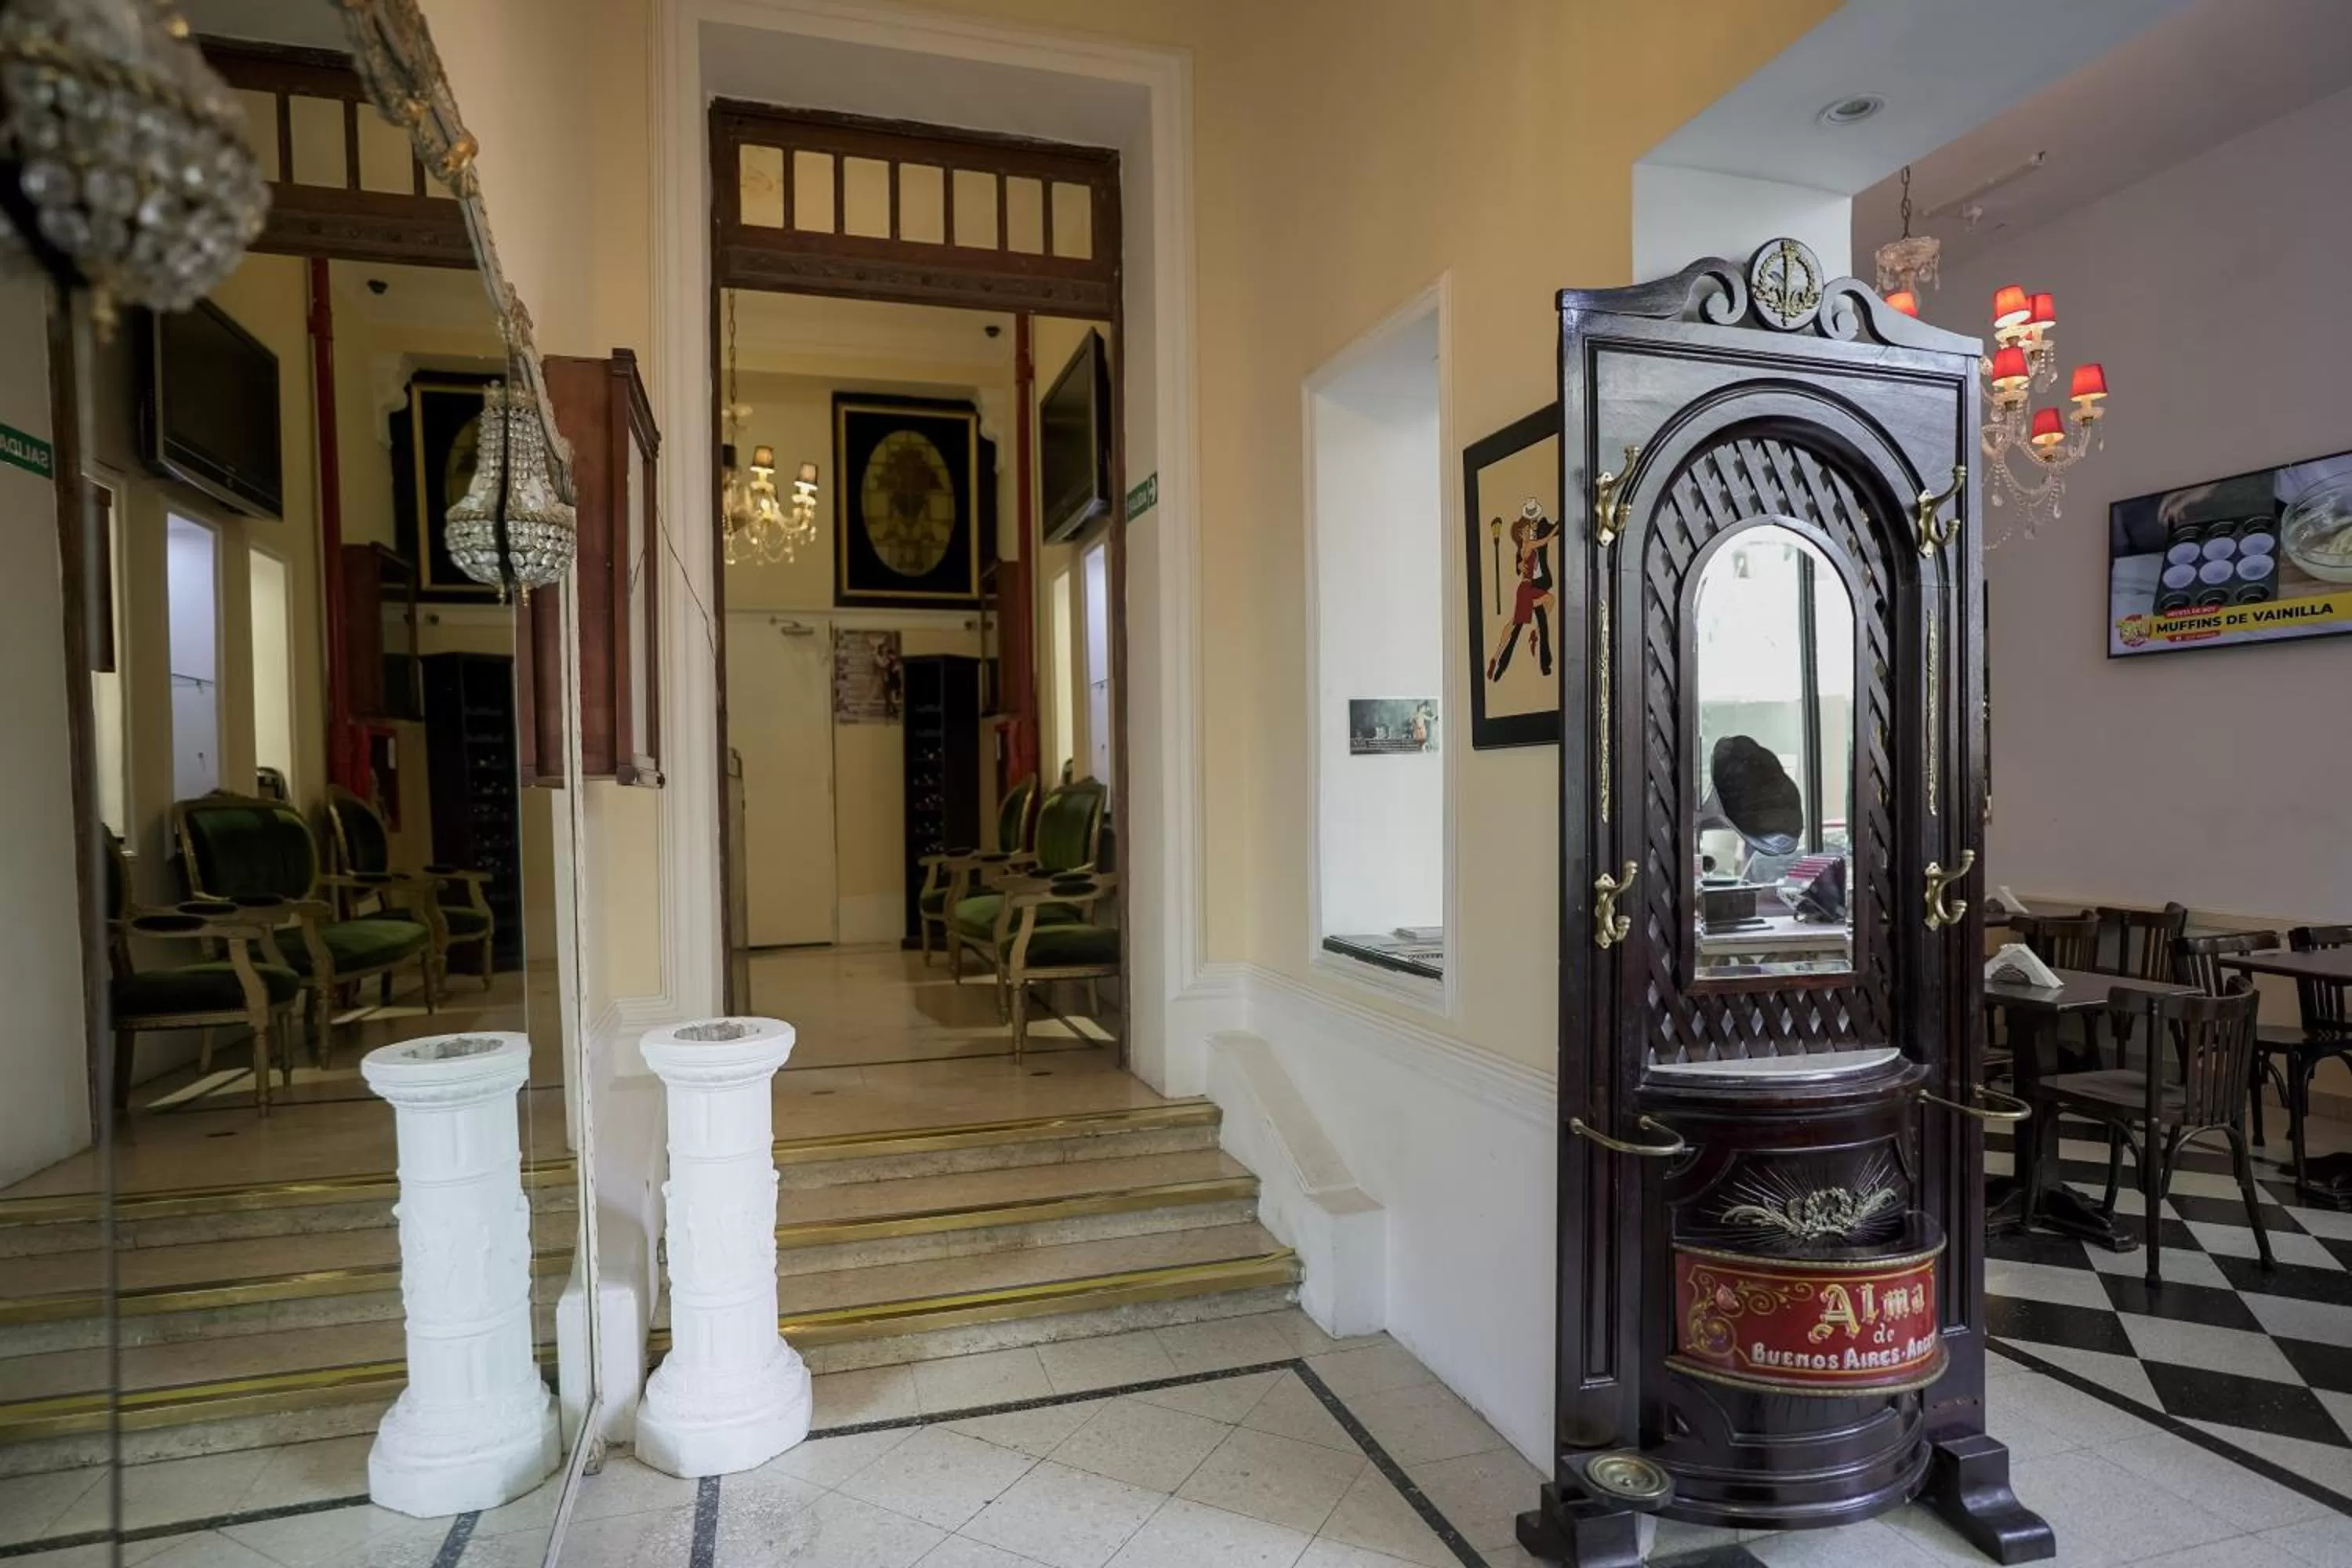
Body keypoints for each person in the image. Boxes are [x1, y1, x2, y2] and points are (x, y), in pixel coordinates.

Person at [1487, 498, 1559, 682]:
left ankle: (1500, 659)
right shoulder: (1527, 545)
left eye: (1530, 527)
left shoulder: (1525, 546)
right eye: (1526, 529)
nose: (1529, 530)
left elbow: (1541, 542)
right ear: (1522, 533)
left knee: (1544, 606)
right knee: (1516, 626)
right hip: (1527, 588)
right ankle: (1499, 661)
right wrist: (1559, 526)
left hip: (1532, 586)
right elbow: (1545, 540)